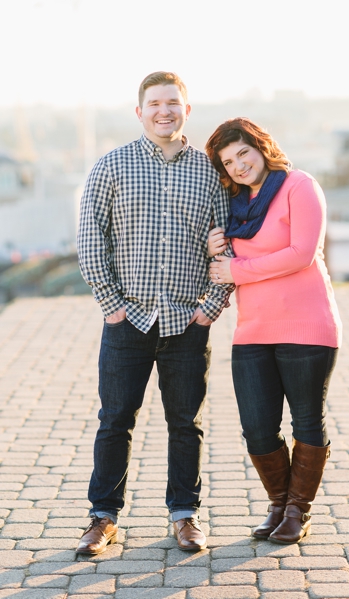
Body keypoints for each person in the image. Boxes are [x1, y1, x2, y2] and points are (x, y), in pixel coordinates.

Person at [76, 71, 233, 554]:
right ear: (139, 111)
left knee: (186, 423)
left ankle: (185, 516)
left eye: (173, 102)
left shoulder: (211, 172)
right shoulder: (112, 166)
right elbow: (89, 239)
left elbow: (227, 245)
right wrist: (111, 305)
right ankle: (103, 516)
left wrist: (209, 309)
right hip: (129, 320)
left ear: (187, 109)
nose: (164, 110)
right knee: (115, 419)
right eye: (155, 103)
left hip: (188, 321)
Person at [204, 117, 341, 544]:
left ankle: (298, 511)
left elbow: (301, 253)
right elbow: (225, 260)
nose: (239, 165)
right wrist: (216, 248)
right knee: (258, 427)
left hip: (307, 325)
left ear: (261, 147)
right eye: (228, 161)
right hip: (252, 329)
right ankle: (279, 503)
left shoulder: (298, 186)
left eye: (243, 152)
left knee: (306, 422)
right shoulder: (235, 205)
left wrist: (237, 269)